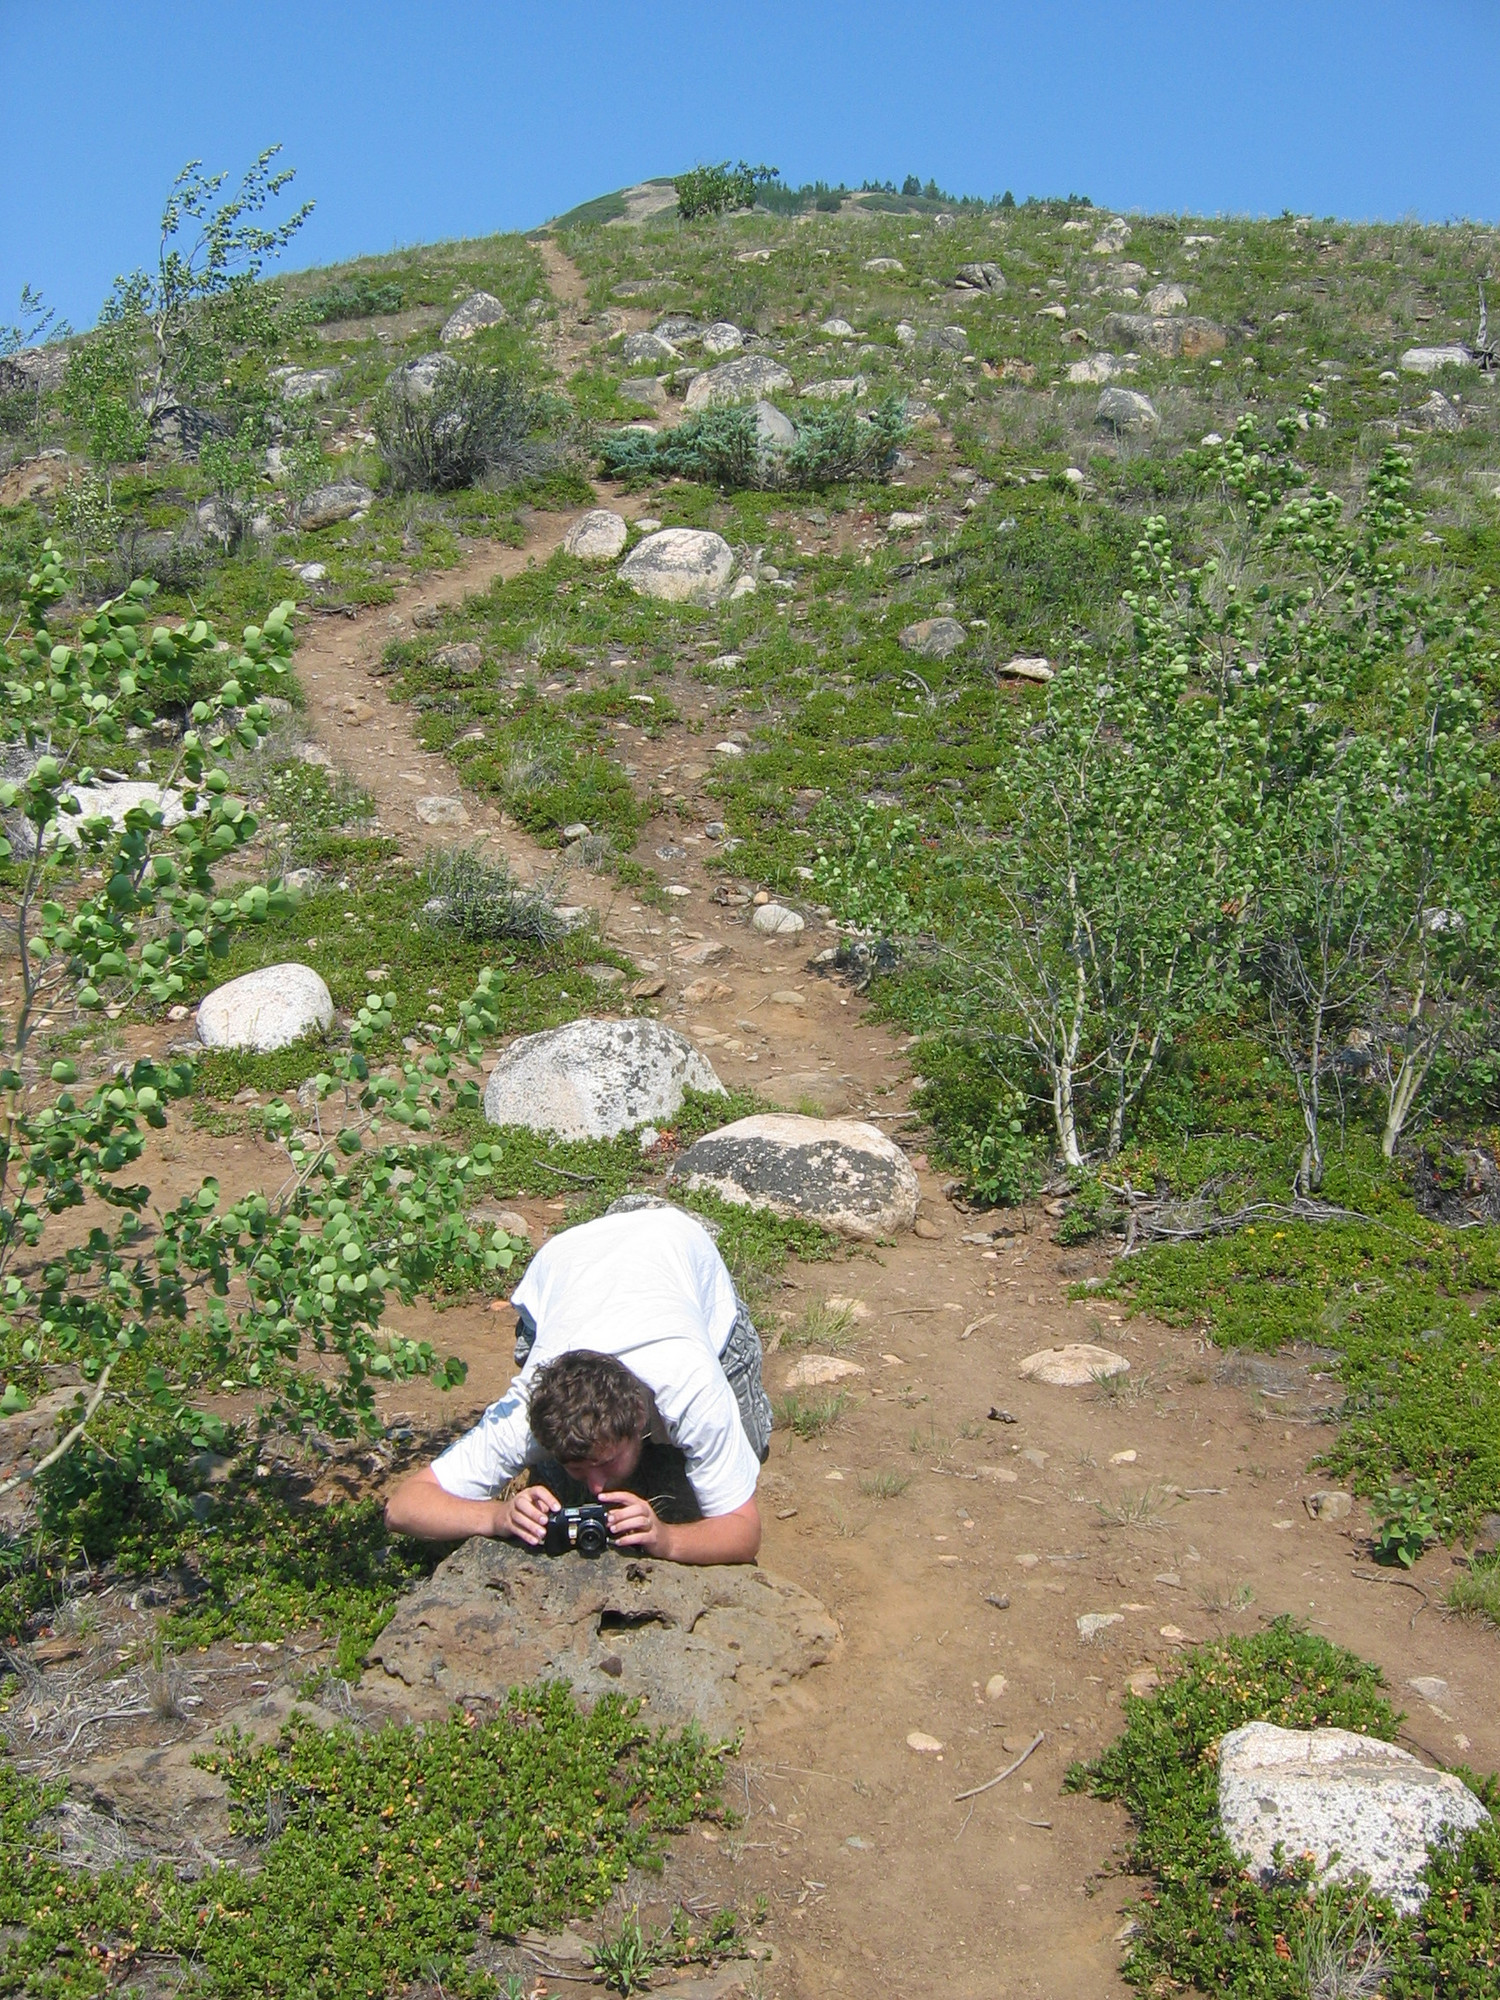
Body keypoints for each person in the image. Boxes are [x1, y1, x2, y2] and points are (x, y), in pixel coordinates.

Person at [385, 1204, 771, 1565]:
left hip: (678, 1248)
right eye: (578, 1468)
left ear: (640, 1416)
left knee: (744, 1453)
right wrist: (497, 1517)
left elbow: (743, 1529)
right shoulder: (524, 1416)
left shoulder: (692, 1387)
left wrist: (667, 1539)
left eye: (605, 1462)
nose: (597, 1489)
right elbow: (403, 1507)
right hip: (565, 1260)